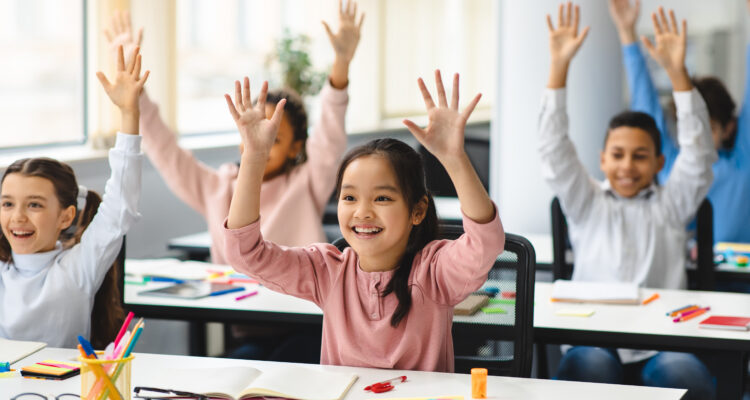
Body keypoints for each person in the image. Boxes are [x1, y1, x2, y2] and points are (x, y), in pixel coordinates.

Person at [220, 70, 504, 371]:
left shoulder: (436, 273)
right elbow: (246, 254)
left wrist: (454, 160)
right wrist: (253, 158)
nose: (362, 212)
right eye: (350, 198)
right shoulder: (326, 271)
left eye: (382, 198)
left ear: (418, 211)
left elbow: (485, 243)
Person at [540, 4, 716, 399]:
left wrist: (678, 76)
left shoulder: (674, 205)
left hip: (662, 344)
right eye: (617, 155)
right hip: (593, 340)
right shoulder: (585, 201)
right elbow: (553, 147)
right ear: (602, 160)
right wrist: (558, 68)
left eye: (640, 156)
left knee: (687, 375)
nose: (627, 166)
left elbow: (700, 152)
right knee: (588, 366)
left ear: (659, 162)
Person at [104, 2, 363, 261]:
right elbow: (165, 150)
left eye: (273, 139)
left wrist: (341, 62)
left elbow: (330, 133)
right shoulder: (217, 187)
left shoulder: (307, 182)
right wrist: (135, 93)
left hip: (293, 298)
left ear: (296, 147)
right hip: (233, 298)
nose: (258, 145)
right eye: (249, 135)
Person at [0, 46, 148, 348]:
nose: (18, 216)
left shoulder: (78, 268)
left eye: (35, 205)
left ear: (66, 216)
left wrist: (129, 114)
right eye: (7, 203)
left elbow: (120, 208)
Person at [609, 0, 750, 244]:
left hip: (738, 279)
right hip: (682, 277)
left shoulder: (742, 163)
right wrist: (627, 33)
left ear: (729, 129)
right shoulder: (671, 164)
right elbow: (646, 109)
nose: (699, 135)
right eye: (691, 126)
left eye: (710, 128)